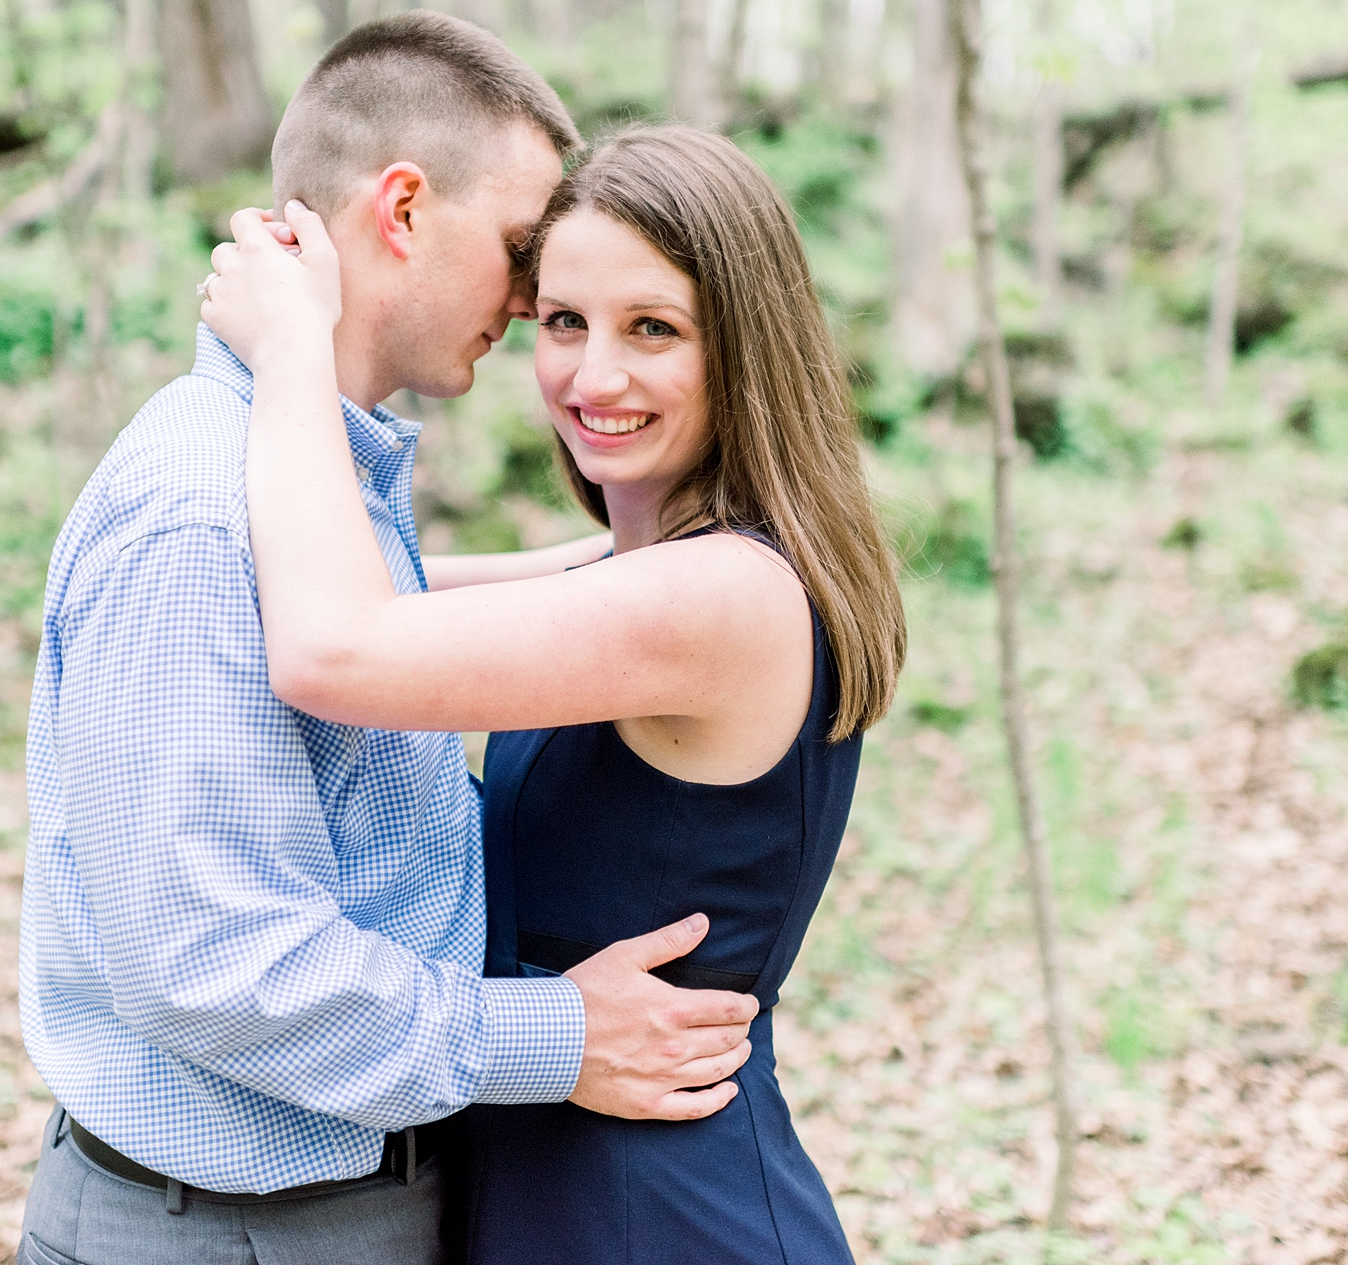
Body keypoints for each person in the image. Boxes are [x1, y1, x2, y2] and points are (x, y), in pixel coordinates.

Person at [15, 15, 760, 1265]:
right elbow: (212, 958)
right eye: (525, 251)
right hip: (237, 1235)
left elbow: (415, 615)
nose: (534, 304)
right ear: (403, 209)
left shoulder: (306, 483)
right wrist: (554, 1038)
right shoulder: (202, 513)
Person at [199, 123, 908, 1264]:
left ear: (746, 348)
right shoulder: (638, 572)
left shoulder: (718, 597)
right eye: (566, 321)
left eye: (655, 330)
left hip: (654, 1212)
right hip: (555, 1187)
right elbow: (362, 588)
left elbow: (336, 649)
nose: (595, 376)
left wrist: (294, 353)